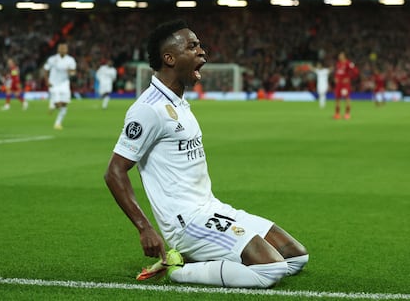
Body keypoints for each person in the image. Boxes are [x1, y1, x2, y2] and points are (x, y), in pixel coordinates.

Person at [104, 19, 308, 289]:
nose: (202, 52)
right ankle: (178, 271)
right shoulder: (148, 109)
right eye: (192, 47)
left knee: (296, 257)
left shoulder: (179, 103)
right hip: (187, 222)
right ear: (170, 58)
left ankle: (206, 259)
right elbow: (114, 171)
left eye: (200, 45)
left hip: (212, 209)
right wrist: (145, 228)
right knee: (271, 268)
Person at [43, 42, 77, 130]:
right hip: (53, 84)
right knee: (58, 104)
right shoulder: (52, 59)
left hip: (64, 83)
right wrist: (47, 81)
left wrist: (71, 72)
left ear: (67, 50)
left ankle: (57, 123)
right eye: (61, 48)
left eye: (64, 48)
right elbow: (46, 69)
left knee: (64, 104)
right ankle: (53, 104)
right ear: (58, 49)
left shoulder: (70, 60)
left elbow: (73, 72)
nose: (62, 50)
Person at [333, 51, 359, 120]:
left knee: (347, 99)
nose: (339, 57)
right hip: (339, 84)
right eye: (339, 55)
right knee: (337, 99)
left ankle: (347, 114)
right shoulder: (338, 64)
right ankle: (337, 114)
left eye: (340, 55)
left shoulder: (348, 63)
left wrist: (349, 78)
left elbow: (356, 71)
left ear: (344, 56)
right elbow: (337, 72)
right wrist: (335, 77)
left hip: (345, 84)